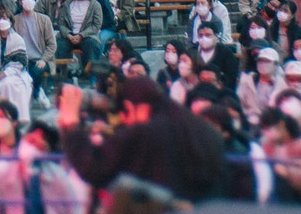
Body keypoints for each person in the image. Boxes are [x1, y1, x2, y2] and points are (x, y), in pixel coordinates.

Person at [57, 76, 226, 204]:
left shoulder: (145, 133)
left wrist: (71, 124)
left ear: (132, 108)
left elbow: (94, 167)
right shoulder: (201, 129)